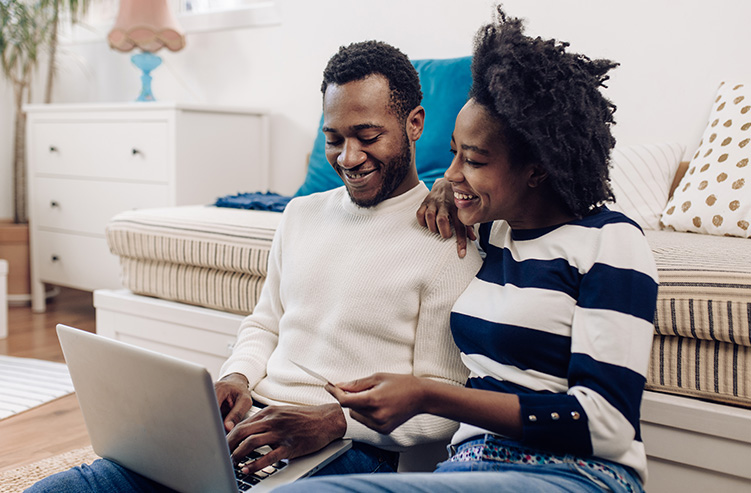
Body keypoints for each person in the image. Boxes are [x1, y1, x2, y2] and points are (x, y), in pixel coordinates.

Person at [26, 41, 482, 492]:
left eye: (367, 137)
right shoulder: (300, 215)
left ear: (414, 123)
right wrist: (237, 375)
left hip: (349, 445)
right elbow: (265, 322)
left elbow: (442, 401)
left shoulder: (448, 238)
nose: (348, 157)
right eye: (333, 139)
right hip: (252, 422)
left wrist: (336, 422)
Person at [274, 6, 659, 493]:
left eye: (472, 159)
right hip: (467, 466)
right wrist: (446, 189)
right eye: (453, 151)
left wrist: (431, 396)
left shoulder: (611, 242)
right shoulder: (489, 234)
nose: (451, 173)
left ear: (536, 169)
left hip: (571, 470)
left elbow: (606, 424)